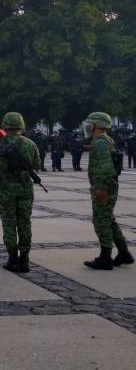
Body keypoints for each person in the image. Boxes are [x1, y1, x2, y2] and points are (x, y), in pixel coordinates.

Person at [0, 112, 41, 273]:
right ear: (21, 126)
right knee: (25, 222)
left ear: (5, 125)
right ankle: (24, 259)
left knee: (9, 223)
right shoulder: (30, 144)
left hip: (5, 190)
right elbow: (37, 164)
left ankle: (12, 258)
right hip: (25, 190)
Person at [81, 112, 133, 270]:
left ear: (96, 125)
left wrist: (101, 189)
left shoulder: (100, 143)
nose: (88, 127)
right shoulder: (104, 140)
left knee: (101, 221)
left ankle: (105, 257)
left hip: (104, 187)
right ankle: (123, 252)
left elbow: (105, 168)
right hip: (108, 185)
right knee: (109, 219)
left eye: (91, 124)